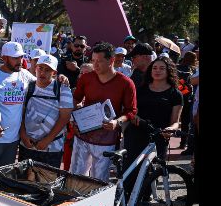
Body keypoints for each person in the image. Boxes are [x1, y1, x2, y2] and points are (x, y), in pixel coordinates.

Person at [70, 42, 137, 181]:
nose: (95, 65)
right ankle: (74, 202)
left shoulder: (126, 83)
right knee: (75, 177)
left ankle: (96, 203)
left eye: (99, 61)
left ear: (111, 61)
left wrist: (117, 122)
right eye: (93, 61)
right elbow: (76, 99)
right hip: (83, 135)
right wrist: (75, 118)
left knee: (99, 181)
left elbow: (131, 111)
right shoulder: (86, 78)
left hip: (107, 138)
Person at [122, 57, 182, 195]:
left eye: (162, 68)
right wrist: (134, 116)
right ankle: (125, 203)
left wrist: (171, 129)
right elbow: (130, 110)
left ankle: (143, 203)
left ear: (169, 71)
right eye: (155, 68)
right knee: (131, 169)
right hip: (136, 133)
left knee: (150, 172)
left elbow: (175, 121)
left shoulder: (175, 94)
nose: (157, 71)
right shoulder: (140, 89)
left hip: (159, 135)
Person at [0, 42, 36, 168]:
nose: (20, 61)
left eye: (21, 57)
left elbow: (43, 83)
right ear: (4, 57)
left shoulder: (24, 74)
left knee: (4, 177)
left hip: (14, 139)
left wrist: (61, 78)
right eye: (15, 58)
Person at [18, 55, 73, 167]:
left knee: (47, 183)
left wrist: (47, 140)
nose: (42, 72)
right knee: (23, 182)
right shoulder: (28, 86)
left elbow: (65, 117)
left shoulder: (62, 88)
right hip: (27, 146)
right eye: (40, 68)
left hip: (52, 148)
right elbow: (21, 114)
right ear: (35, 68)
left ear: (54, 72)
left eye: (47, 70)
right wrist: (23, 134)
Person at [175, 51, 197, 149]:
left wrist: (181, 89)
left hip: (176, 96)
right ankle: (183, 143)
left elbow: (177, 82)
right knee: (185, 121)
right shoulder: (193, 70)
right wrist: (186, 92)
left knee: (172, 119)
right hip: (189, 98)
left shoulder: (177, 68)